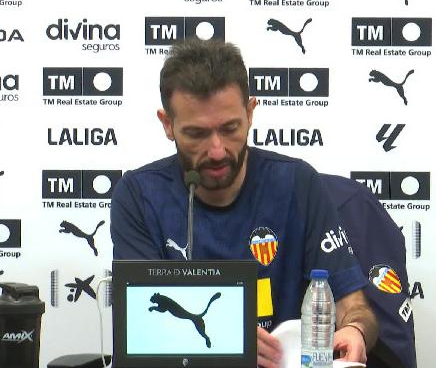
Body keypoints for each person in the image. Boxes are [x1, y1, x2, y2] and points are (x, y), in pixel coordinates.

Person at [110, 38, 378, 367]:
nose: (217, 150)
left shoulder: (299, 183)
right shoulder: (138, 196)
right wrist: (224, 344)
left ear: (250, 113)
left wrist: (355, 329)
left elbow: (354, 304)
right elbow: (142, 329)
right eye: (196, 134)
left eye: (230, 128)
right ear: (168, 125)